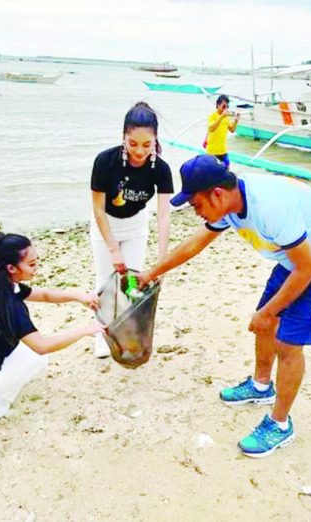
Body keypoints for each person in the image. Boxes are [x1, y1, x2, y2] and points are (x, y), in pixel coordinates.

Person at [136, 155, 311, 457]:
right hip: (292, 258)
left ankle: (280, 424)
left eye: (196, 204)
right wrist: (151, 273)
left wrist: (268, 312)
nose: (196, 211)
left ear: (217, 193)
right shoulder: (229, 205)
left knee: (287, 343)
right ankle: (260, 385)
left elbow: (308, 270)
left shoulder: (268, 206)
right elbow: (193, 245)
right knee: (265, 325)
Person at [0, 231, 104, 423]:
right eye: (32, 264)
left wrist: (79, 296)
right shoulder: (9, 305)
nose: (36, 269)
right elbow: (42, 346)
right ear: (11, 268)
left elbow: (45, 295)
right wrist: (85, 330)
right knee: (37, 358)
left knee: (23, 348)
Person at [90, 101, 174, 358]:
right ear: (124, 137)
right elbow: (98, 209)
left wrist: (162, 262)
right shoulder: (105, 161)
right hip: (106, 225)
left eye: (147, 145)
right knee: (105, 281)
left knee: (131, 283)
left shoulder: (161, 169)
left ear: (155, 140)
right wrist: (113, 248)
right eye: (133, 143)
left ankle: (124, 330)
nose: (140, 151)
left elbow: (163, 215)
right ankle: (101, 334)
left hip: (137, 224)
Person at [205, 94, 240, 167]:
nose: (225, 108)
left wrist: (236, 121)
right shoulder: (213, 116)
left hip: (223, 151)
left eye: (227, 106)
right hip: (212, 152)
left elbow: (232, 130)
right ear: (218, 105)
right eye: (223, 106)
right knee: (213, 174)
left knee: (226, 170)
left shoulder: (226, 117)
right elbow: (211, 128)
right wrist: (221, 117)